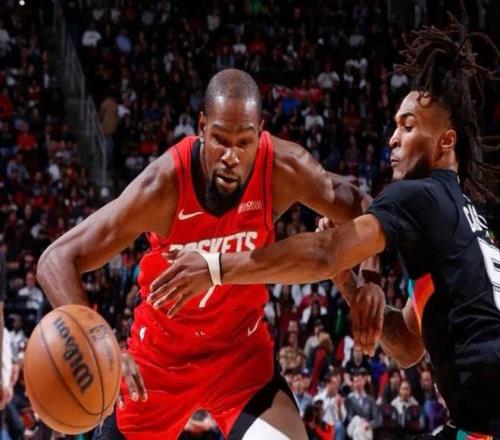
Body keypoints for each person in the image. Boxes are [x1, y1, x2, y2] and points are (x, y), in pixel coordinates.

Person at [159, 11, 500, 439]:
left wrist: (214, 267)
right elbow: (408, 346)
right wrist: (348, 284)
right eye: (395, 125)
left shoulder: (421, 195)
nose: (392, 138)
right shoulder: (467, 222)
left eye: (408, 126)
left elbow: (324, 252)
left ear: (446, 141)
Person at [37, 68, 374, 439]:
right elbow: (56, 260)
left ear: (260, 133)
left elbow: (366, 208)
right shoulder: (162, 185)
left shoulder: (283, 168)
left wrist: (369, 280)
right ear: (202, 127)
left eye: (244, 143)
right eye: (220, 140)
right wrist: (101, 345)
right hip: (159, 364)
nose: (231, 156)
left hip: (241, 357)